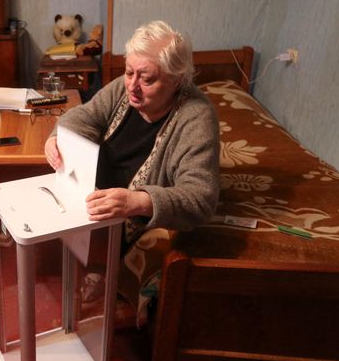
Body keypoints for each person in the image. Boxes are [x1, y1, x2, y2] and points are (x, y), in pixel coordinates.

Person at [45, 20, 220, 301]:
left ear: (177, 79)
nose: (133, 87)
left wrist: (137, 202)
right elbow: (82, 116)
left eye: (147, 79)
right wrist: (57, 138)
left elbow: (201, 197)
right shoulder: (122, 90)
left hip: (127, 214)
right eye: (129, 73)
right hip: (97, 199)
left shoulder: (196, 117)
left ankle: (104, 268)